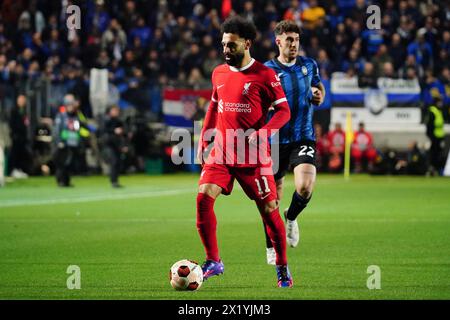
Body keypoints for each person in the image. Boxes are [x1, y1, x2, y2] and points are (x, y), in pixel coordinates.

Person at [196, 16, 293, 287]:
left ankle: (282, 266)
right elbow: (214, 107)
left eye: (231, 45)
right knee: (203, 197)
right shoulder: (219, 73)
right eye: (223, 45)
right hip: (223, 152)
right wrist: (204, 140)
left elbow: (284, 111)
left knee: (270, 210)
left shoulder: (265, 74)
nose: (226, 50)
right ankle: (213, 260)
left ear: (247, 43)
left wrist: (264, 133)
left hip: (253, 156)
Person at [263, 20, 325, 264]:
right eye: (289, 40)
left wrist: (320, 96)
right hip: (274, 139)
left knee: (305, 187)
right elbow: (256, 102)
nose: (294, 44)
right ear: (278, 41)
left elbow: (318, 88)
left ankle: (292, 217)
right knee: (270, 200)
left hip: (303, 135)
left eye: (296, 40)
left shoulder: (309, 65)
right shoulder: (266, 70)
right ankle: (270, 245)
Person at [52, 94, 82, 187]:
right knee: (61, 163)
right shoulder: (61, 116)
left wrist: (78, 141)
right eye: (69, 106)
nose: (71, 108)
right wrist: (59, 141)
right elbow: (57, 130)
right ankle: (60, 181)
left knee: (69, 163)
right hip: (63, 143)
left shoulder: (75, 117)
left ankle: (67, 181)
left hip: (72, 143)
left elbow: (77, 130)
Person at [103, 105, 128, 188]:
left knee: (117, 162)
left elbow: (124, 134)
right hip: (109, 145)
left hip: (117, 145)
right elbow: (103, 131)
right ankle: (113, 181)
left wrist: (124, 145)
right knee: (114, 162)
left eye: (117, 110)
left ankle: (115, 180)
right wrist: (114, 131)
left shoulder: (119, 121)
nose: (116, 112)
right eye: (114, 110)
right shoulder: (106, 121)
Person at [8, 94, 31, 179]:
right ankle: (13, 170)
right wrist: (14, 134)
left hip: (22, 137)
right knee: (14, 154)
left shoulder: (24, 111)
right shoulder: (14, 111)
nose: (22, 101)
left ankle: (19, 169)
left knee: (22, 154)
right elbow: (12, 124)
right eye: (20, 100)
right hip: (16, 136)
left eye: (23, 100)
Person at [425, 89, 446, 175]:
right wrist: (431, 137)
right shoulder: (433, 111)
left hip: (439, 137)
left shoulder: (438, 111)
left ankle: (437, 170)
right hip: (435, 137)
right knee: (434, 155)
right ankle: (433, 170)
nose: (441, 103)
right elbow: (429, 126)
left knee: (438, 155)